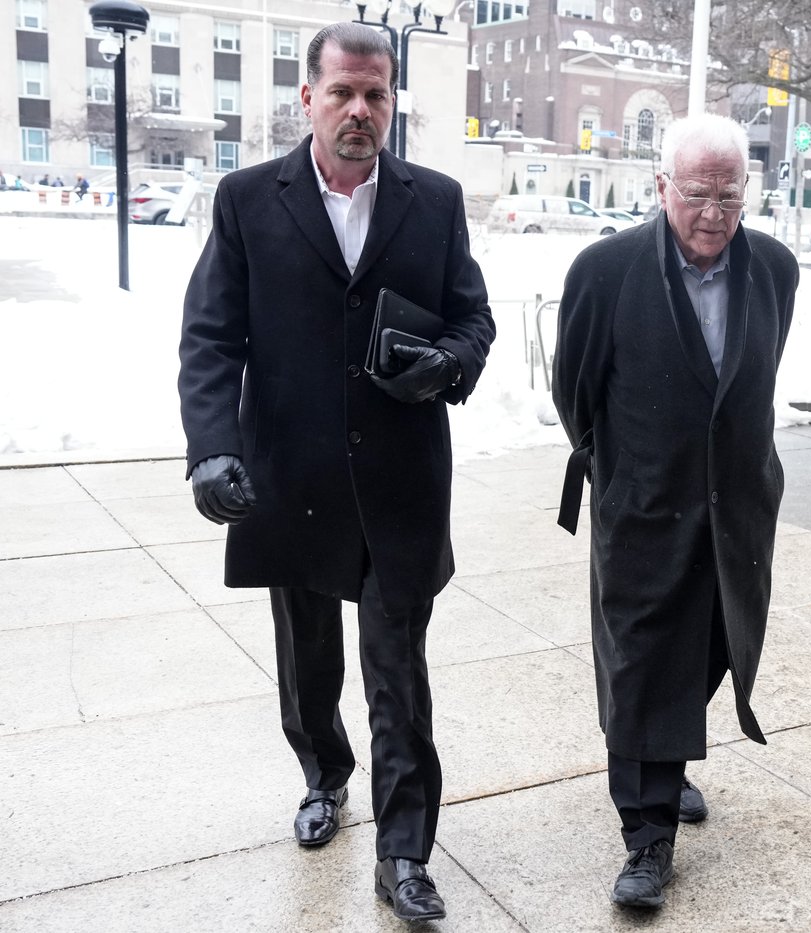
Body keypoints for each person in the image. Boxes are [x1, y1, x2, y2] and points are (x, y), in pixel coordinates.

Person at [177, 22, 495, 924]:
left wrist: (448, 363)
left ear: (392, 101)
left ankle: (405, 852)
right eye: (344, 92)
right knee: (308, 654)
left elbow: (472, 318)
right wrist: (212, 448)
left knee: (398, 668)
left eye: (376, 94)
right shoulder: (247, 200)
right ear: (308, 97)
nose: (360, 110)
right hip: (293, 475)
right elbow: (211, 337)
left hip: (400, 480)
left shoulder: (435, 200)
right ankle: (324, 773)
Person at [552, 113, 799, 910]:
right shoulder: (605, 272)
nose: (714, 214)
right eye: (697, 194)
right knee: (643, 663)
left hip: (738, 507)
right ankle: (647, 831)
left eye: (730, 196)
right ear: (662, 187)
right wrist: (625, 471)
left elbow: (754, 377)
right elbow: (574, 391)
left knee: (715, 644)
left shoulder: (775, 269)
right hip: (645, 506)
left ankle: (666, 754)